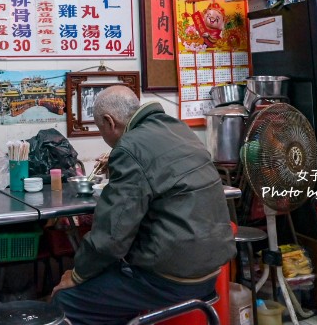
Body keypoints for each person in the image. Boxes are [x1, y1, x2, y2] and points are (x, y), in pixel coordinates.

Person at [51, 86, 235, 325]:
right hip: (212, 270)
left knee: (67, 299)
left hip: (172, 280)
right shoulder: (177, 128)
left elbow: (111, 236)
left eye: (100, 129)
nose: (104, 137)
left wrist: (77, 274)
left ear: (109, 121)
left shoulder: (130, 148)